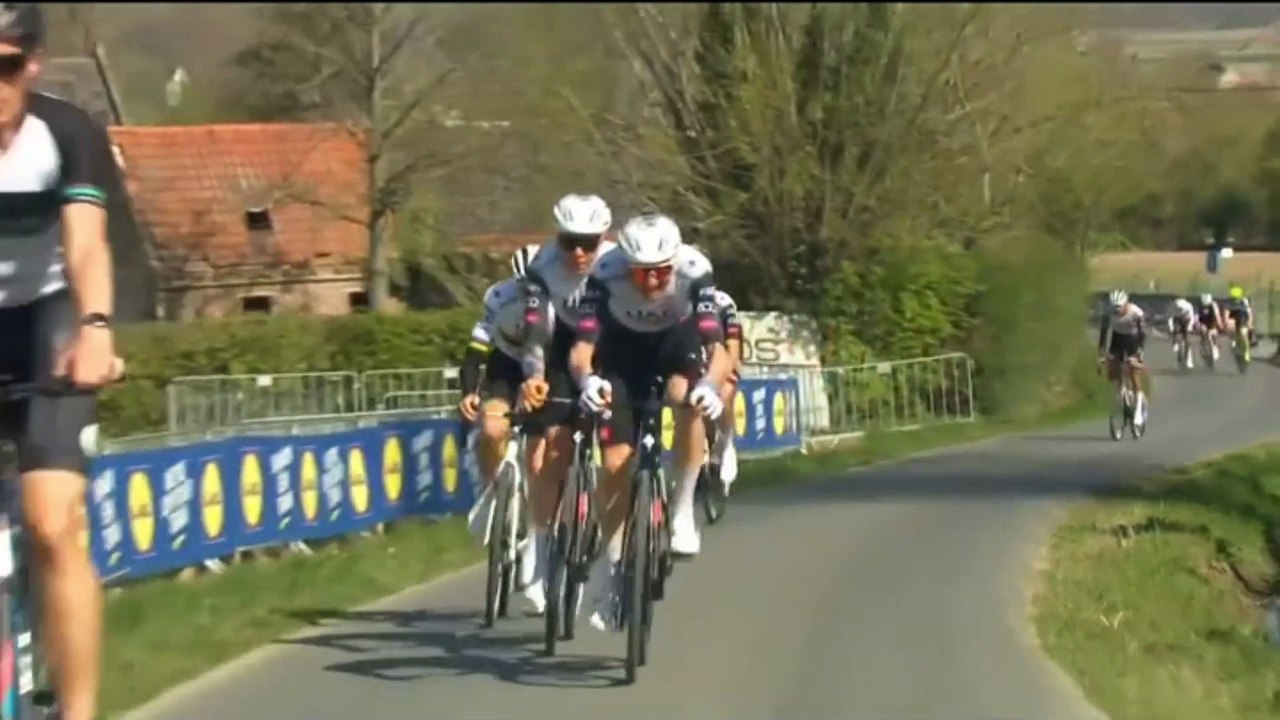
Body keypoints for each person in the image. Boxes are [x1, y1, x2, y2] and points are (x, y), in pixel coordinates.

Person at [0, 6, 126, 720]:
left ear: (34, 65)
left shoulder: (66, 133)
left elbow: (85, 246)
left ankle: (76, 713)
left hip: (50, 319)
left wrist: (97, 328)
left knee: (53, 521)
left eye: (5, 66)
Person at [568, 212, 733, 632]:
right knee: (613, 466)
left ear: (674, 262)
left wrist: (711, 387)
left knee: (687, 399)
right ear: (625, 264)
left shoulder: (695, 270)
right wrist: (586, 380)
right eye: (641, 273)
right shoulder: (604, 274)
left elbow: (719, 348)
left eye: (661, 272)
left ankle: (681, 510)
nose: (652, 282)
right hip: (623, 353)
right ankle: (612, 570)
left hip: (677, 343)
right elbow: (582, 347)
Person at [514, 193, 617, 614]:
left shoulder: (618, 265)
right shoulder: (541, 266)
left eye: (588, 243)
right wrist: (534, 377)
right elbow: (535, 333)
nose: (578, 252)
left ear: (603, 239)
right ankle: (539, 544)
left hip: (609, 350)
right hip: (558, 351)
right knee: (554, 447)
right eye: (569, 241)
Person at [458, 243, 556, 613]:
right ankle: (493, 491)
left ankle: (535, 535)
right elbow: (475, 352)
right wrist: (469, 390)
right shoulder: (498, 298)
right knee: (492, 427)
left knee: (539, 457)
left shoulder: (561, 297)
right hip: (506, 365)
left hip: (545, 368)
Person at [1097, 290, 1148, 424]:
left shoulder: (1136, 312)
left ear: (1126, 304)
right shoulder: (1108, 314)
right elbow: (1103, 334)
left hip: (1133, 340)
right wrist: (1101, 354)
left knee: (1133, 371)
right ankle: (1122, 391)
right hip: (1117, 339)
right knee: (1114, 370)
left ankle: (1138, 410)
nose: (1117, 310)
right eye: (1114, 307)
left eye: (1119, 307)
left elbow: (1143, 334)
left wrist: (1139, 353)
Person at [1224, 284, 1255, 358]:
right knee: (1230, 327)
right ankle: (1233, 340)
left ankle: (1247, 349)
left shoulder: (1244, 301)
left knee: (1244, 333)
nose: (1234, 299)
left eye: (1236, 298)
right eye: (1233, 298)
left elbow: (1249, 313)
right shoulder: (1229, 301)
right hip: (1233, 318)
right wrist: (1226, 320)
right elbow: (1226, 312)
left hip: (1243, 317)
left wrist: (1250, 322)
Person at [1167, 297, 1196, 368]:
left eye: (1181, 309)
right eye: (1178, 309)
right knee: (1176, 331)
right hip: (1177, 321)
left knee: (1188, 340)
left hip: (1187, 320)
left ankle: (1188, 359)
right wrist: (1171, 328)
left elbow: (1192, 318)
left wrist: (1189, 326)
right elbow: (1170, 319)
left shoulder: (1188, 306)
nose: (1180, 310)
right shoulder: (1173, 307)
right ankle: (1175, 342)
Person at [1195, 292, 1224, 363]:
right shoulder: (1200, 306)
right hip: (1203, 323)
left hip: (1212, 322)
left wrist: (1220, 325)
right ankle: (1203, 348)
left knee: (1213, 333)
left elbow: (1217, 316)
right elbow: (1197, 316)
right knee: (1203, 333)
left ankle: (1216, 346)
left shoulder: (1213, 305)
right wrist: (1198, 324)